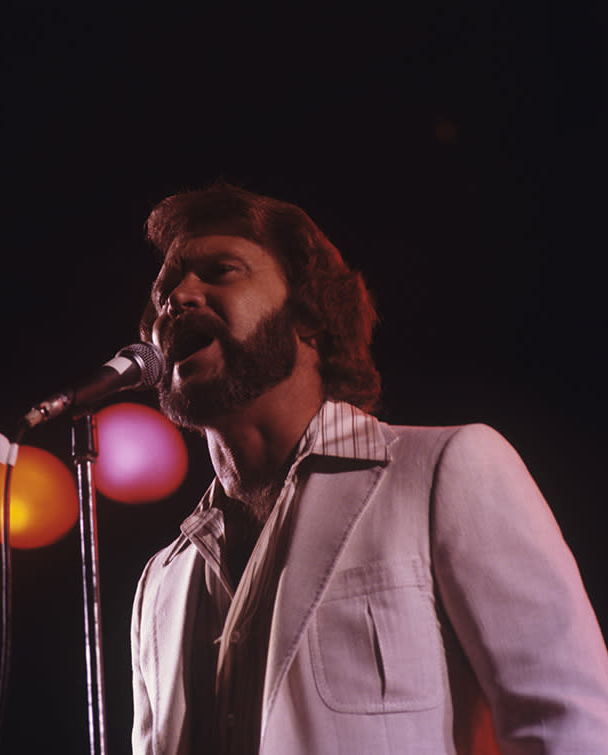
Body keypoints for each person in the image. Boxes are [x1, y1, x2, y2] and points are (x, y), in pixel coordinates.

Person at [129, 183, 608, 754]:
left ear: (307, 316)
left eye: (220, 271)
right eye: (165, 289)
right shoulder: (161, 582)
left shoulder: (444, 471)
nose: (177, 297)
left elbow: (567, 725)